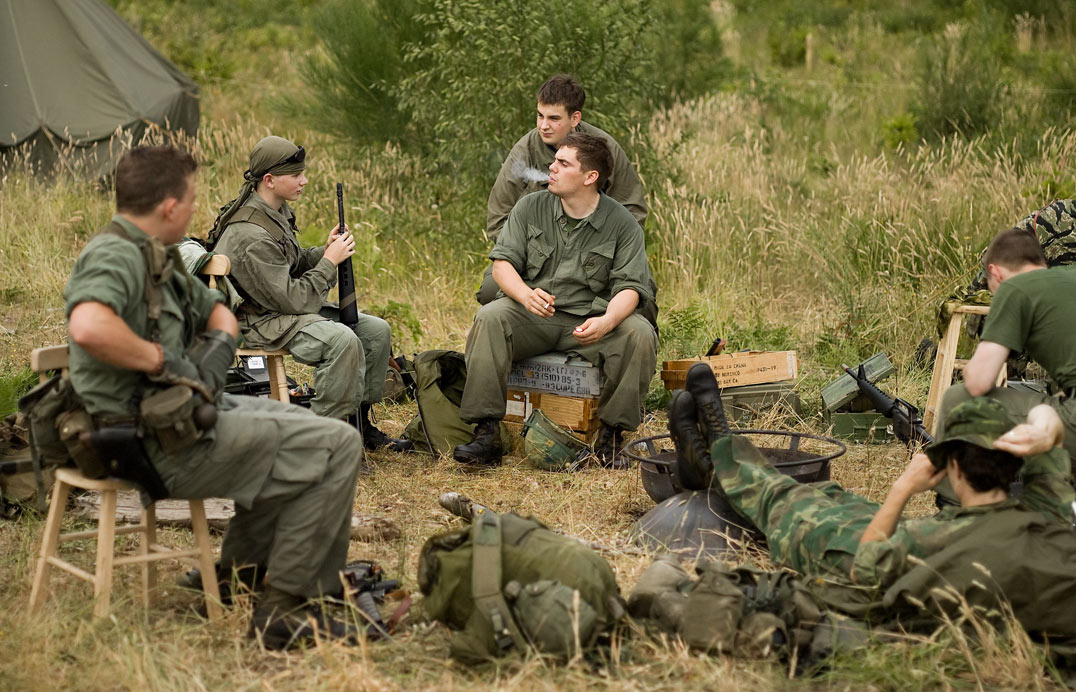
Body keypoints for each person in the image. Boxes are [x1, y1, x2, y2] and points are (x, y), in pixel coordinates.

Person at [65, 145, 366, 649]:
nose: (194, 209)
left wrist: (214, 353)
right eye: (190, 199)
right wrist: (162, 361)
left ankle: (240, 576)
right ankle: (287, 608)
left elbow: (219, 312)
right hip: (144, 440)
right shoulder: (113, 254)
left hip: (179, 417)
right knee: (336, 447)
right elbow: (90, 325)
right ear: (168, 207)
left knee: (320, 434)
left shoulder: (154, 255)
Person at [669, 363, 1076, 654]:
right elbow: (1049, 432)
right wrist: (1042, 435)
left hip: (864, 577)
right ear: (1018, 463)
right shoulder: (1048, 519)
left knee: (794, 505)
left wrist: (901, 489)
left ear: (951, 466)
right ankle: (710, 464)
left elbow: (867, 565)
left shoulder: (932, 541)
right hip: (942, 559)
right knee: (840, 500)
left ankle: (716, 453)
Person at [454, 133, 658, 468]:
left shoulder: (623, 225)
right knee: (491, 317)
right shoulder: (530, 207)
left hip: (591, 323)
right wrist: (524, 294)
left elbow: (631, 289)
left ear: (590, 177)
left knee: (638, 333)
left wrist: (607, 321)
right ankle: (487, 433)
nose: (552, 167)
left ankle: (610, 436)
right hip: (535, 317)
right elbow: (502, 264)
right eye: (554, 161)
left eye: (563, 163)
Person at [209, 136, 408, 451]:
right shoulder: (249, 233)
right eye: (296, 175)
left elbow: (290, 262)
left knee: (375, 331)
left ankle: (357, 423)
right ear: (270, 180)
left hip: (282, 311)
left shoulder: (275, 210)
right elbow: (296, 298)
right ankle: (312, 441)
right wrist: (330, 263)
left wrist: (322, 252)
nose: (305, 180)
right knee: (342, 342)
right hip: (261, 322)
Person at [476, 74, 649, 305]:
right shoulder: (524, 151)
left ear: (575, 117)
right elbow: (499, 216)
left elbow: (633, 212)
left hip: (596, 259)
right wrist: (534, 255)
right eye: (540, 116)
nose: (543, 126)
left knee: (642, 294)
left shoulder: (603, 149)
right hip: (536, 260)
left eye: (554, 118)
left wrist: (602, 257)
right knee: (491, 289)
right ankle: (520, 335)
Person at [937, 227, 1076, 464]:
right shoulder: (1069, 277)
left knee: (957, 400)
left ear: (995, 273)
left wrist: (972, 368)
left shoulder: (1015, 287)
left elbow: (979, 384)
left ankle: (959, 500)